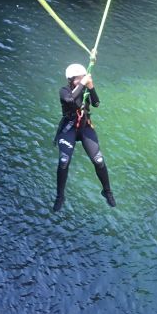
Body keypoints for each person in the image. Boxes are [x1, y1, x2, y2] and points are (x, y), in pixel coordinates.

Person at [53, 63, 116, 212]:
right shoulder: (64, 91)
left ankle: (107, 191)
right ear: (70, 80)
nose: (81, 80)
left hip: (84, 127)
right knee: (64, 161)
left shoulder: (85, 88)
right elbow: (70, 100)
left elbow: (96, 103)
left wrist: (91, 86)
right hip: (69, 128)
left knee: (99, 160)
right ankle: (60, 196)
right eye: (78, 79)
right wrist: (83, 83)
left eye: (82, 77)